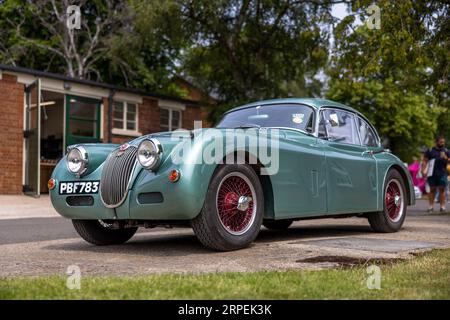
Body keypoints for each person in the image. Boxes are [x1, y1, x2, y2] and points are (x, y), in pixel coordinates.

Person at [424, 136, 450, 212]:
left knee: (442, 190)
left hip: (442, 173)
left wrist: (446, 158)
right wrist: (423, 171)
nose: (443, 143)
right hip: (431, 173)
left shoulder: (446, 151)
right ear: (436, 142)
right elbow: (425, 160)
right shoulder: (430, 150)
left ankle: (442, 206)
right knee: (432, 190)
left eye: (443, 142)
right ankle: (431, 206)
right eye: (441, 142)